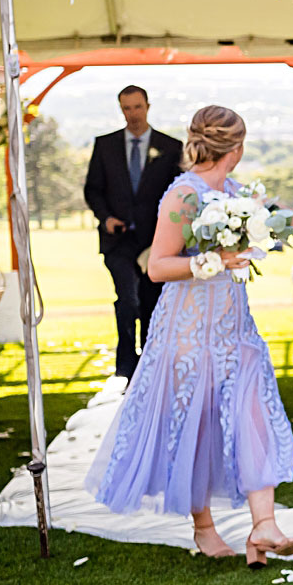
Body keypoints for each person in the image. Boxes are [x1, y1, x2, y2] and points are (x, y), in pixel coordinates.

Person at [86, 106, 293, 564]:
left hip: (234, 329)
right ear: (237, 147)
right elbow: (156, 266)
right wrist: (211, 262)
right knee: (198, 425)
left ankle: (263, 526)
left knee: (255, 414)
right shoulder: (183, 195)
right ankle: (204, 528)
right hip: (187, 332)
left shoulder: (237, 193)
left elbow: (285, 220)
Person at [83, 85, 183, 379]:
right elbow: (93, 189)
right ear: (121, 110)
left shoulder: (170, 146)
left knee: (152, 302)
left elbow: (178, 194)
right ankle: (126, 365)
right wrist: (106, 217)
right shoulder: (105, 145)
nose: (133, 114)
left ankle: (150, 366)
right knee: (128, 299)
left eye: (137, 107)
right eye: (127, 108)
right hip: (118, 241)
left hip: (156, 243)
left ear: (148, 107)